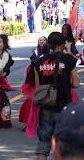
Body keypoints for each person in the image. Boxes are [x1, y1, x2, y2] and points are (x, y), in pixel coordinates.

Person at [34, 32, 80, 160]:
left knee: (44, 141)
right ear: (61, 44)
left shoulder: (38, 62)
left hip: (46, 105)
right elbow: (76, 83)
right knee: (64, 142)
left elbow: (38, 88)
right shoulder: (69, 60)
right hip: (64, 105)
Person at [19, 36, 49, 133]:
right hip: (36, 82)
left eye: (44, 40)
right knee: (31, 101)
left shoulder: (53, 55)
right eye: (40, 40)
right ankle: (29, 123)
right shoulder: (35, 54)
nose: (42, 41)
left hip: (48, 82)